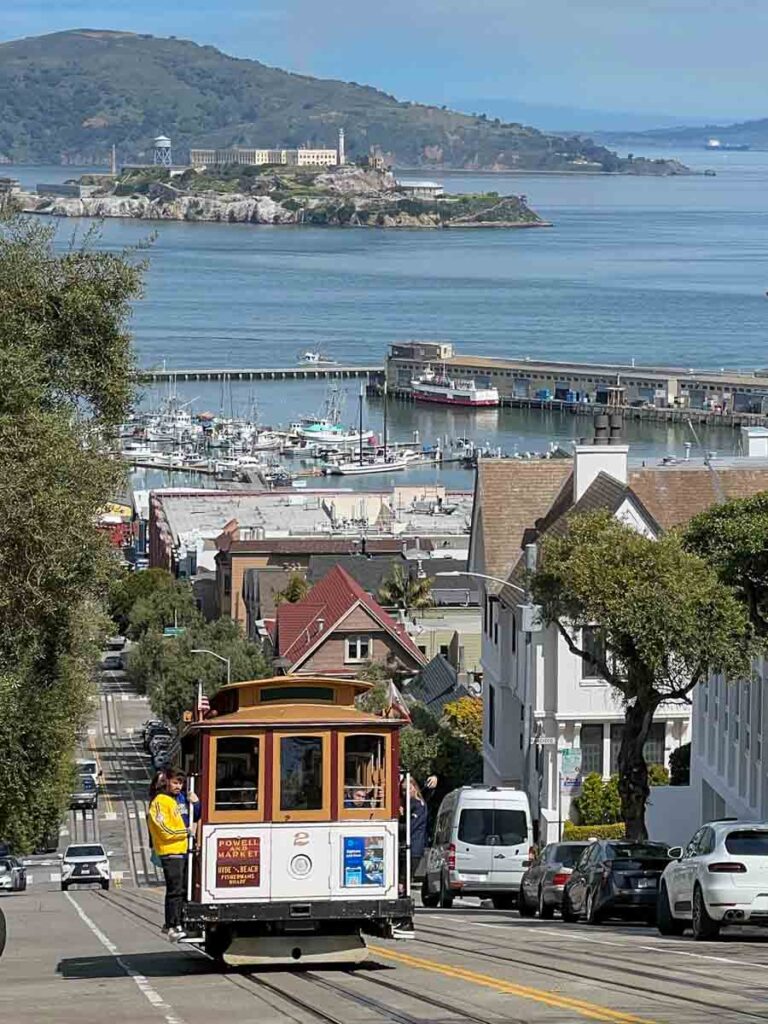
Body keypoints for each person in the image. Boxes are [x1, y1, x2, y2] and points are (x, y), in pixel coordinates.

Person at [148, 769, 191, 942]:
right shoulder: (159, 802)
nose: (178, 786)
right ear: (165, 783)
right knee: (174, 891)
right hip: (170, 852)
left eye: (180, 783)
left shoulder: (173, 801)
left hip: (180, 851)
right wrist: (185, 832)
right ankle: (172, 925)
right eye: (175, 782)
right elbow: (163, 829)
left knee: (180, 890)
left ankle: (178, 922)